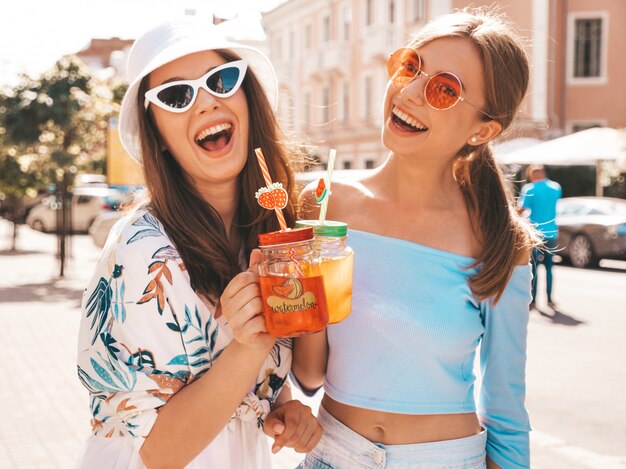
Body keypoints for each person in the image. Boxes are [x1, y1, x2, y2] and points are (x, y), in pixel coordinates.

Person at [294, 8, 539, 469]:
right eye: (410, 67)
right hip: (330, 453)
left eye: (443, 90)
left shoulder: (499, 241)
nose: (406, 93)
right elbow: (307, 374)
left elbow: (506, 408)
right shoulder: (322, 205)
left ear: (482, 130)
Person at [76, 17, 322, 469]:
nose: (207, 102)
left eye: (222, 80)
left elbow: (264, 380)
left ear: (247, 99)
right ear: (160, 138)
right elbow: (160, 453)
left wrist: (280, 405)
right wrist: (249, 345)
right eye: (176, 94)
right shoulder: (143, 251)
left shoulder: (264, 231)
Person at [518, 165, 562, 309]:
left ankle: (533, 301)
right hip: (552, 233)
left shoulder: (530, 189)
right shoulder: (556, 187)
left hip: (535, 234)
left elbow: (522, 209)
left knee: (534, 268)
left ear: (532, 175)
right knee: (549, 267)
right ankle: (549, 298)